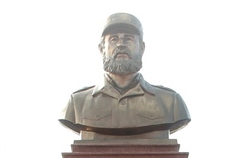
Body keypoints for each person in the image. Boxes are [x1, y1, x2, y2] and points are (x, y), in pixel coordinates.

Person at [60, 12, 190, 139]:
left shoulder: (170, 102)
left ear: (142, 48)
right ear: (101, 49)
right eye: (113, 39)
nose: (121, 44)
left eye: (128, 38)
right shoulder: (77, 103)